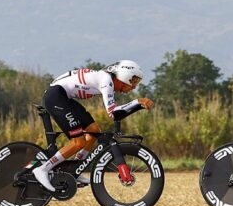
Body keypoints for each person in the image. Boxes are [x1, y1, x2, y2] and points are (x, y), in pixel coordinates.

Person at [29, 60, 153, 191]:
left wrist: (137, 105)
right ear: (124, 75)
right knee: (78, 142)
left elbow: (117, 113)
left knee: (93, 131)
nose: (134, 87)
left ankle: (74, 169)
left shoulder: (106, 78)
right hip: (56, 96)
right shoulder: (106, 81)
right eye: (133, 81)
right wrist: (137, 102)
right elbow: (113, 113)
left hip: (63, 96)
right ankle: (43, 169)